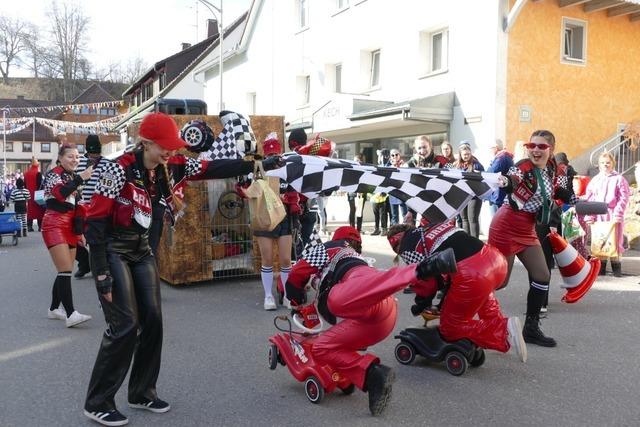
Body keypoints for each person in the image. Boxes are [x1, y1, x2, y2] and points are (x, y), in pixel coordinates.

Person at [83, 113, 283, 426]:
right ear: (146, 143)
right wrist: (100, 273)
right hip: (112, 250)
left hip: (142, 251)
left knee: (153, 320)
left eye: (172, 147)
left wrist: (257, 165)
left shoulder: (172, 164)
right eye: (164, 146)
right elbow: (94, 223)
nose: (171, 152)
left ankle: (141, 392)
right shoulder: (116, 167)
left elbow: (213, 168)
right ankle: (97, 402)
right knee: (124, 325)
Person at [285, 226, 457, 416]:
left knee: (337, 298)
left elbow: (296, 274)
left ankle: (424, 268)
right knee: (321, 347)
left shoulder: (332, 248)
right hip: (383, 317)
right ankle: (373, 375)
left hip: (359, 295)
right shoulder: (361, 258)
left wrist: (296, 301)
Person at [386, 221, 527, 362]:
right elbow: (446, 276)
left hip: (473, 271)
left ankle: (504, 329)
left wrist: (421, 304)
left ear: (396, 243)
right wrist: (442, 304)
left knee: (450, 327)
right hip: (495, 260)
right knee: (483, 300)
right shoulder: (432, 227)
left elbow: (426, 282)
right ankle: (504, 336)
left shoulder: (408, 247)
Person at [489, 130, 576, 348]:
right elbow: (513, 178)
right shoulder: (523, 166)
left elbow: (552, 188)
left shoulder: (553, 168)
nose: (536, 150)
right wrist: (506, 181)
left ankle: (531, 328)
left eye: (542, 146)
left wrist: (566, 195)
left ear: (551, 149)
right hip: (507, 225)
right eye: (532, 145)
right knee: (500, 281)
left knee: (542, 275)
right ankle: (461, 301)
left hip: (528, 227)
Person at [42, 144, 94, 327]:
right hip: (54, 224)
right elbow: (59, 194)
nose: (75, 160)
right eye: (71, 156)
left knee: (65, 270)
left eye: (77, 157)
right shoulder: (53, 174)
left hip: (70, 226)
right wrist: (81, 177)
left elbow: (79, 206)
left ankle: (54, 308)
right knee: (64, 270)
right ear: (60, 158)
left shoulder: (72, 177)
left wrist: (80, 233)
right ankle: (71, 314)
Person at [251, 134, 299, 310]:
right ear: (265, 154)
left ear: (280, 153)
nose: (272, 157)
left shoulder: (288, 169)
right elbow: (254, 191)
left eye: (275, 154)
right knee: (268, 259)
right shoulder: (259, 168)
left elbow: (296, 193)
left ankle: (286, 295)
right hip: (264, 218)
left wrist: (289, 198)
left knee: (286, 259)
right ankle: (268, 296)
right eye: (269, 154)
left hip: (284, 218)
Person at [583, 152, 630, 277]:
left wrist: (618, 213)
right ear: (599, 165)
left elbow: (623, 197)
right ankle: (601, 269)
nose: (605, 165)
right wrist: (590, 215)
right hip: (598, 214)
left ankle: (616, 269)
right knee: (600, 240)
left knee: (614, 240)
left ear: (612, 163)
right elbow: (590, 198)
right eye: (603, 163)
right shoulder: (595, 180)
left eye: (608, 162)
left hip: (612, 213)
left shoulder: (619, 179)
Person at [74, 134, 111, 278]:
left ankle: (102, 266)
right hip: (80, 206)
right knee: (75, 238)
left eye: (96, 153)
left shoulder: (107, 163)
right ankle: (84, 264)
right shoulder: (79, 163)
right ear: (87, 151)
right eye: (91, 153)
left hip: (100, 208)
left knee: (99, 239)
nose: (94, 156)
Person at [446, 142, 485, 238]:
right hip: (461, 195)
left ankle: (475, 242)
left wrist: (479, 174)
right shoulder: (456, 165)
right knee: (464, 219)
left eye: (468, 154)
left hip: (474, 196)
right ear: (460, 155)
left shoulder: (476, 164)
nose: (466, 156)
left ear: (471, 153)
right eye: (464, 155)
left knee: (472, 219)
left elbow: (485, 177)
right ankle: (467, 240)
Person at [487, 139, 514, 215]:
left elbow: (492, 173)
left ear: (496, 148)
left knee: (496, 222)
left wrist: (481, 173)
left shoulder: (501, 158)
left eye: (491, 148)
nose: (490, 150)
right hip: (500, 194)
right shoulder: (504, 156)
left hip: (498, 195)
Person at [370, 149, 390, 235]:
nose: (379, 158)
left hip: (383, 197)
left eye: (380, 155)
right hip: (374, 197)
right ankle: (376, 229)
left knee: (383, 214)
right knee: (376, 215)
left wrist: (385, 191)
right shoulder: (378, 167)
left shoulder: (388, 167)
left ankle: (384, 229)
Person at [24, 158, 45, 232]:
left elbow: (25, 185)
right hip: (38, 194)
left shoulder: (26, 173)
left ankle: (29, 226)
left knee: (30, 211)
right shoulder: (38, 173)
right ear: (37, 165)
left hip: (29, 194)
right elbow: (40, 185)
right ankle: (40, 227)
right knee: (40, 210)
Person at [388, 149, 407, 225]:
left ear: (399, 155)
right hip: (393, 192)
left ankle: (406, 232)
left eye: (396, 154)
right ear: (390, 157)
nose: (395, 156)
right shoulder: (389, 167)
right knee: (394, 215)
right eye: (392, 155)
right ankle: (396, 233)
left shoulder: (404, 165)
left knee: (405, 214)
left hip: (402, 192)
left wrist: (401, 166)